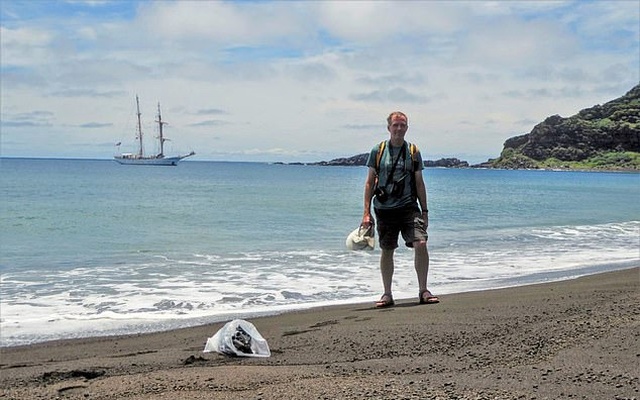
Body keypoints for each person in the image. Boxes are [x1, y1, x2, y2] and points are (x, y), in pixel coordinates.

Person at [361, 111, 439, 308]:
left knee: (420, 242)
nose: (399, 128)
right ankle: (387, 294)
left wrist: (425, 211)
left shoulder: (413, 151)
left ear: (407, 128)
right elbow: (369, 183)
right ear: (389, 128)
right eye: (395, 125)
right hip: (384, 209)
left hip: (408, 207)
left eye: (402, 125)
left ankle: (423, 290)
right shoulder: (377, 151)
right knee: (387, 250)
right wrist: (366, 213)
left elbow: (419, 183)